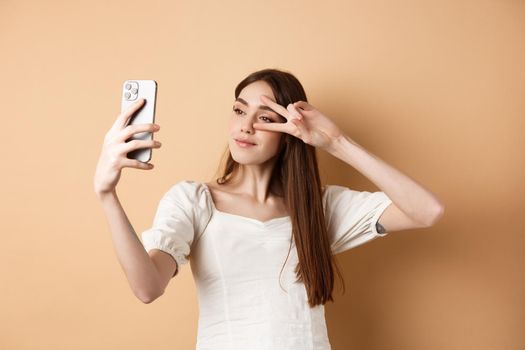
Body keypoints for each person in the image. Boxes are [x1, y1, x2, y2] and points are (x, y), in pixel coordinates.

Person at [93, 68, 445, 349]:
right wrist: (107, 194)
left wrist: (337, 143)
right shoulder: (195, 200)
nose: (245, 125)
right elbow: (147, 287)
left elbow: (426, 211)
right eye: (239, 110)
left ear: (290, 129)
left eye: (264, 117)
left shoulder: (317, 209)